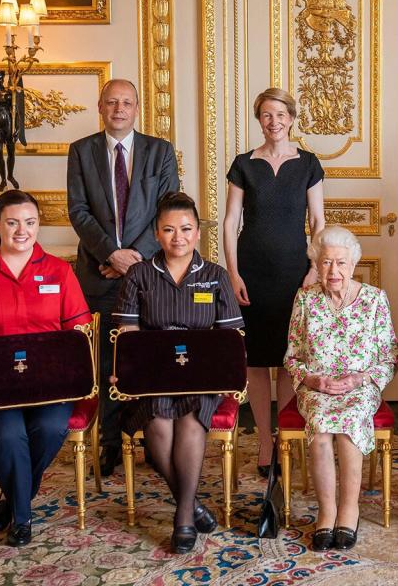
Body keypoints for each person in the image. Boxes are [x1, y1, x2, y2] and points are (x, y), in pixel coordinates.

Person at [0, 190, 91, 547]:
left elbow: (79, 333)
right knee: (9, 436)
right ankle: (22, 519)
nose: (22, 230)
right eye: (12, 222)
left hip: (51, 385)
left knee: (53, 426)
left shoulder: (59, 270)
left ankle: (10, 499)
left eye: (30, 222)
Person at [111, 192, 245, 554]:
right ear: (156, 233)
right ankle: (193, 504)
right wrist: (124, 369)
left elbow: (231, 337)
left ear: (198, 232)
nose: (178, 237)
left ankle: (183, 515)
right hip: (154, 376)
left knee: (188, 421)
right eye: (168, 230)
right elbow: (127, 334)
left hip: (202, 376)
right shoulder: (140, 275)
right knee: (157, 424)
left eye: (186, 229)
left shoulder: (215, 276)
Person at [67, 78, 180, 477]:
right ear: (100, 106)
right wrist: (110, 254)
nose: (119, 108)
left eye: (127, 102)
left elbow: (169, 211)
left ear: (137, 108)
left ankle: (152, 438)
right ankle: (109, 443)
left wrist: (133, 259)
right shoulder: (81, 151)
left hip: (149, 274)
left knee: (148, 356)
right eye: (112, 102)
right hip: (99, 272)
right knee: (105, 359)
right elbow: (78, 211)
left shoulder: (160, 151)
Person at [223, 87, 325, 477]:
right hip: (251, 270)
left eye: (280, 114)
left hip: (294, 272)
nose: (274, 122)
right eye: (266, 115)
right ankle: (265, 441)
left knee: (287, 358)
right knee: (256, 360)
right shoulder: (244, 164)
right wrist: (232, 273)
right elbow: (231, 222)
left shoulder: (309, 164)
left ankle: (283, 435)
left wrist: (314, 269)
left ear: (291, 118)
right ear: (259, 119)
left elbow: (317, 222)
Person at [284, 226, 398, 551]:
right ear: (316, 265)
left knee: (349, 423)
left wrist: (361, 379)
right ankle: (327, 510)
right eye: (326, 263)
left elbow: (390, 356)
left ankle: (350, 508)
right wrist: (313, 380)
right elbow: (292, 356)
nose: (333, 271)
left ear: (353, 264)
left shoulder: (375, 299)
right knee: (320, 427)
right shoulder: (305, 299)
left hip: (360, 385)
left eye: (341, 263)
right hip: (316, 385)